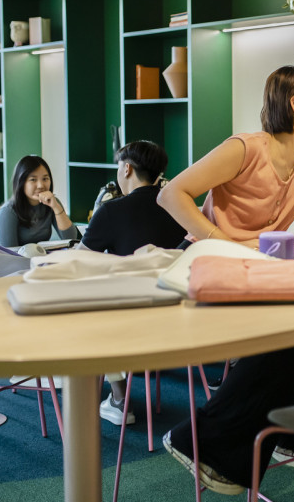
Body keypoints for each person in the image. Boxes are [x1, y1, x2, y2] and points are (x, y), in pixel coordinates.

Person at [157, 65, 294, 495]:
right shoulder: (244, 149)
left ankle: (293, 435)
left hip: (259, 267)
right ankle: (198, 441)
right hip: (211, 261)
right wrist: (225, 241)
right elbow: (170, 194)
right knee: (286, 331)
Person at [77, 139, 187, 426]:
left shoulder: (111, 211)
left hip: (128, 323)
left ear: (126, 169)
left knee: (90, 308)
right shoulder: (180, 206)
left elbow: (78, 263)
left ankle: (118, 399)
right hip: (181, 318)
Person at [0, 155, 79, 247]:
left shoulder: (51, 202)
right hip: (9, 260)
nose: (40, 185)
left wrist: (56, 207)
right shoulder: (8, 211)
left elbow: (72, 239)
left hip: (36, 258)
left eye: (45, 179)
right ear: (21, 183)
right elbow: (9, 254)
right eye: (33, 180)